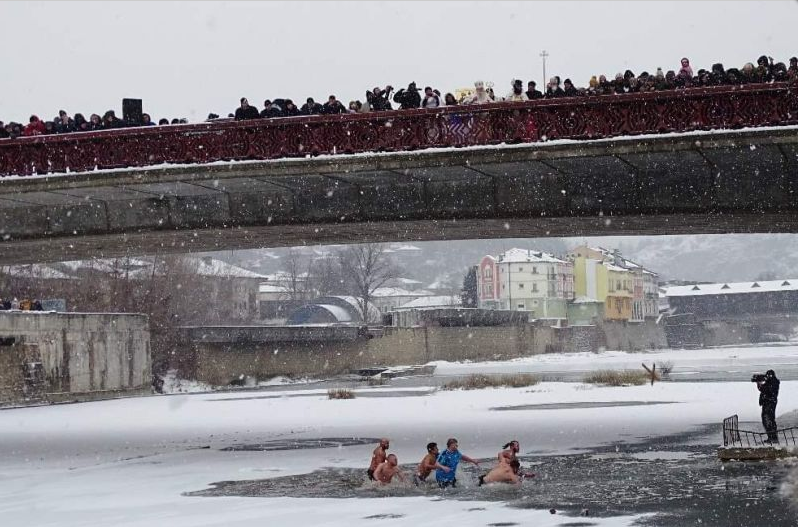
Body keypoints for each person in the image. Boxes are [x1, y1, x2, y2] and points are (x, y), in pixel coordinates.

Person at [757, 370, 780, 443]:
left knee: (768, 420)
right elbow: (762, 389)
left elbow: (767, 390)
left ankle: (773, 437)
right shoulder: (770, 382)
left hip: (770, 403)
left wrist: (760, 384)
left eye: (767, 376)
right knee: (767, 420)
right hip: (767, 402)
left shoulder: (773, 382)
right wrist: (759, 383)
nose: (766, 377)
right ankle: (771, 437)